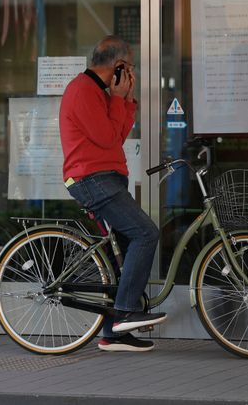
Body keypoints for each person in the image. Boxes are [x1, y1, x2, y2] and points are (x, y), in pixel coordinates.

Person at [59, 35, 166, 352]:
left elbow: (116, 136)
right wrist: (120, 97)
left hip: (106, 177)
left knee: (119, 258)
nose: (132, 74)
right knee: (146, 233)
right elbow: (107, 138)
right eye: (130, 68)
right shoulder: (83, 91)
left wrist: (125, 100)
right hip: (91, 178)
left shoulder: (100, 93)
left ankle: (113, 334)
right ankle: (123, 315)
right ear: (118, 66)